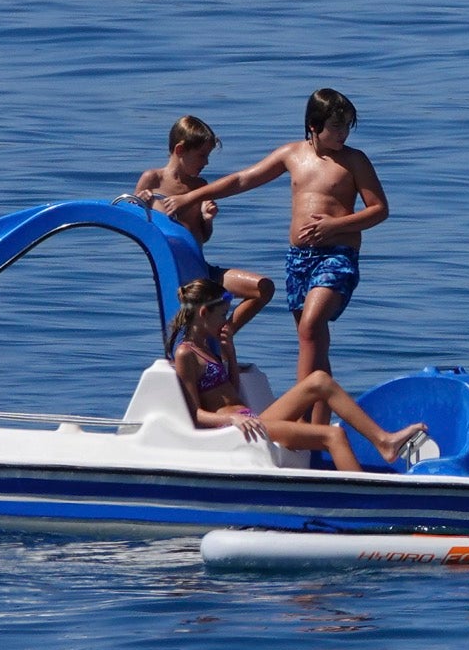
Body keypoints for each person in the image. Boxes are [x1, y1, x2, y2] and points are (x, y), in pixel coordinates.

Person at [161, 89, 387, 424]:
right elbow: (241, 179)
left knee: (311, 326)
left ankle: (295, 416)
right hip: (299, 260)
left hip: (337, 255)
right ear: (314, 125)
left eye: (346, 128)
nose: (342, 135)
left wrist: (335, 226)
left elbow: (379, 210)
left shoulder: (354, 161)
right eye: (336, 128)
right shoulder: (291, 155)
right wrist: (193, 196)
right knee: (314, 343)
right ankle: (315, 433)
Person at [167, 278, 426, 471]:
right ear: (203, 313)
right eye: (223, 316)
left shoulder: (208, 347)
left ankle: (384, 441)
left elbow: (231, 392)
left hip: (252, 419)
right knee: (333, 435)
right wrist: (233, 421)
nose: (226, 322)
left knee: (319, 380)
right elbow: (195, 414)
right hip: (235, 429)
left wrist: (230, 355)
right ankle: (367, 504)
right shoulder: (185, 354)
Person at [135, 115, 275, 336]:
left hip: (203, 271)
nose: (206, 163)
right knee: (200, 317)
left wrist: (207, 220)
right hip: (178, 275)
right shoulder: (152, 180)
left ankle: (225, 332)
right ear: (180, 150)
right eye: (201, 156)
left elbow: (202, 237)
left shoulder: (200, 186)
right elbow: (136, 227)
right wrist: (141, 203)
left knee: (263, 288)